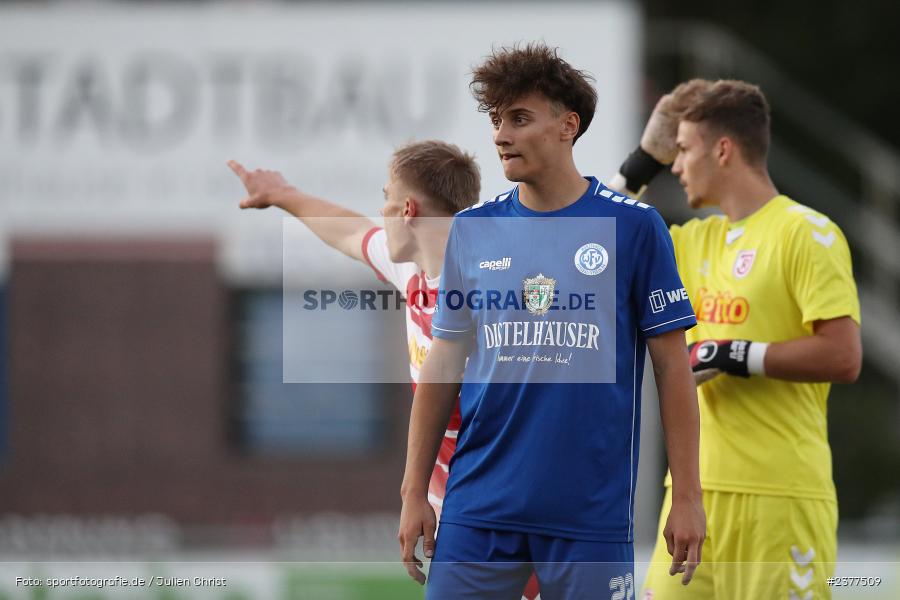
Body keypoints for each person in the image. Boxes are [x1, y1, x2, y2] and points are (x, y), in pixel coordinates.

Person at [397, 43, 705, 599]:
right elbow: (442, 363)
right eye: (496, 121)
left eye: (519, 119)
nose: (500, 135)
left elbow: (672, 367)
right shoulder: (472, 229)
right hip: (477, 510)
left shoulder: (634, 228)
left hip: (588, 518)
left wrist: (687, 495)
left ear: (568, 126)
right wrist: (413, 491)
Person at [229, 144, 542, 600]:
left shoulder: (497, 289)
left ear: (409, 210)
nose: (381, 210)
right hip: (457, 517)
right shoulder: (412, 268)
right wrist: (282, 193)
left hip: (511, 515)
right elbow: (348, 230)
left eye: (387, 198)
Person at [609, 79, 862, 599]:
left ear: (723, 149)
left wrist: (735, 354)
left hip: (781, 498)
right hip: (692, 498)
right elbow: (588, 243)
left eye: (682, 151)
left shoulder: (806, 232)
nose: (674, 166)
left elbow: (843, 354)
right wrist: (642, 161)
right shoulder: (690, 240)